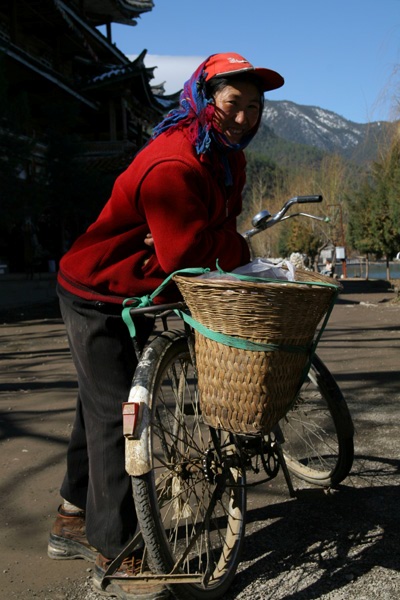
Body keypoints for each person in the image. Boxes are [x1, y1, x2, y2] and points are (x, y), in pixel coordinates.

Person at [47, 52, 284, 599]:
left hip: (140, 288)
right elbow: (190, 252)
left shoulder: (222, 156)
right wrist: (215, 241)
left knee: (97, 403)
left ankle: (70, 514)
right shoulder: (176, 163)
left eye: (255, 106)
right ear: (205, 100)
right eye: (234, 104)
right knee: (114, 415)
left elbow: (205, 233)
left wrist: (202, 237)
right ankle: (113, 543)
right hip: (96, 290)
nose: (246, 117)